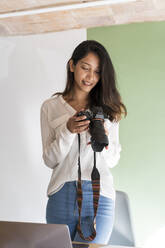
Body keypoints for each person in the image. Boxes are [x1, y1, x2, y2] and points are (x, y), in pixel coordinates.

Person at [40, 40, 127, 244]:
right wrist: (68, 130)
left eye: (97, 72)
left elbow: (113, 160)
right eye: (85, 68)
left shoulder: (108, 109)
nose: (90, 77)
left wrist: (102, 137)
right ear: (72, 66)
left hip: (100, 196)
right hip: (61, 194)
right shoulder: (50, 107)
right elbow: (50, 160)